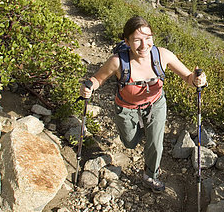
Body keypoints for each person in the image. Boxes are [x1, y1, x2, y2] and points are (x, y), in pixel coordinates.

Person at [80, 16, 207, 193]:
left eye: (148, 38)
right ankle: (141, 130)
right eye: (137, 40)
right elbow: (97, 79)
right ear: (127, 41)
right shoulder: (117, 62)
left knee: (155, 143)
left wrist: (198, 80)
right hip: (126, 107)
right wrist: (88, 87)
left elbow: (188, 78)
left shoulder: (162, 55)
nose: (144, 45)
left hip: (155, 104)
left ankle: (150, 175)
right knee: (130, 143)